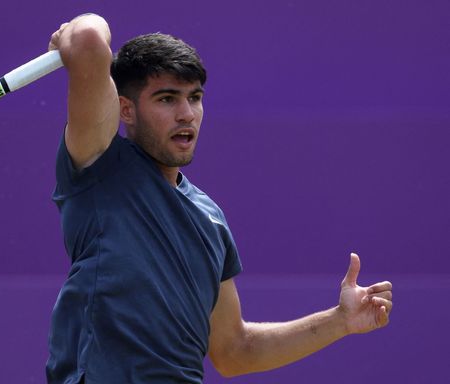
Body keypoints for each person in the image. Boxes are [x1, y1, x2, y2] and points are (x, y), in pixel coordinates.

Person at [46, 14, 393, 384]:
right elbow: (87, 38)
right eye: (167, 99)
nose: (186, 114)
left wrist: (339, 321)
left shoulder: (209, 217)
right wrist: (71, 34)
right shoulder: (101, 166)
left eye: (194, 98)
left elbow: (234, 351)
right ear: (126, 109)